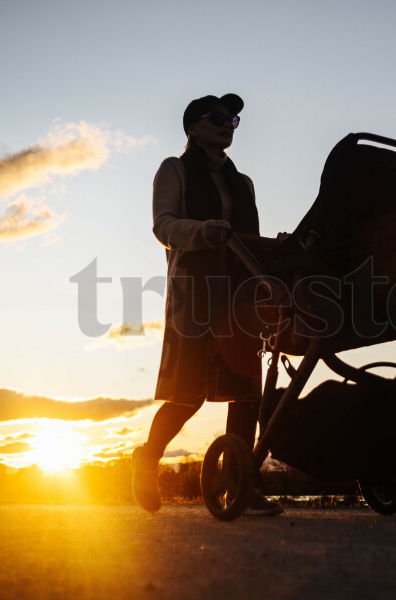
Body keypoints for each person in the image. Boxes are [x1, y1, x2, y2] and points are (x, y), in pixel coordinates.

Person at [132, 93, 282, 516]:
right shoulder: (174, 168)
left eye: (232, 119)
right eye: (216, 117)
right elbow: (163, 225)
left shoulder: (244, 182)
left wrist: (279, 249)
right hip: (194, 291)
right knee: (188, 392)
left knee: (246, 392)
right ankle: (146, 459)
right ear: (193, 127)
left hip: (240, 295)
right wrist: (203, 231)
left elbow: (249, 239)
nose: (227, 123)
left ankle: (241, 485)